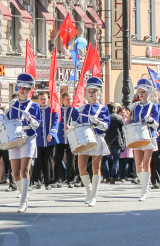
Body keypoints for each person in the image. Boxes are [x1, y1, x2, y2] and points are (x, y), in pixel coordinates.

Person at [69, 77, 110, 206]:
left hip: (96, 138)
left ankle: (94, 195)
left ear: (99, 93)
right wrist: (72, 123)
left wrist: (97, 122)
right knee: (81, 167)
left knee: (95, 167)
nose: (91, 94)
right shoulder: (80, 108)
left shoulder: (103, 109)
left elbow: (106, 126)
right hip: (83, 139)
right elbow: (74, 124)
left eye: (93, 92)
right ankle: (89, 191)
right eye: (89, 92)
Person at [6, 73, 41, 212]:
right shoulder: (13, 105)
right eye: (20, 87)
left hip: (28, 139)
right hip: (15, 140)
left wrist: (30, 120)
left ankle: (22, 201)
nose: (22, 90)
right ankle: (24, 196)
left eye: (25, 88)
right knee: (15, 173)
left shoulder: (34, 106)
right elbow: (8, 121)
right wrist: (1, 118)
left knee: (24, 170)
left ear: (29, 90)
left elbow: (37, 125)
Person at [128, 79, 160, 201]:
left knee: (146, 163)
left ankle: (144, 191)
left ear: (148, 93)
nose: (141, 94)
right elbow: (132, 121)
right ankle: (144, 186)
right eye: (139, 92)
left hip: (148, 136)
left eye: (143, 92)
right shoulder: (135, 107)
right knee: (138, 165)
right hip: (137, 137)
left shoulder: (153, 106)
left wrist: (151, 121)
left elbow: (156, 124)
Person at [32, 92, 59, 190]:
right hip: (38, 140)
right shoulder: (35, 110)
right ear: (38, 100)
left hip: (49, 140)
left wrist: (52, 133)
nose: (43, 101)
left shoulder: (52, 110)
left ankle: (49, 182)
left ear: (47, 99)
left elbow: (56, 123)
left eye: (44, 99)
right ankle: (37, 181)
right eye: (41, 99)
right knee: (38, 161)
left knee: (49, 161)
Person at [101, 103, 124, 185]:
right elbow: (122, 131)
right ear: (114, 109)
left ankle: (106, 176)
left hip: (106, 141)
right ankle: (113, 176)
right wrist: (123, 143)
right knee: (116, 160)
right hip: (116, 141)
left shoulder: (104, 118)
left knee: (104, 160)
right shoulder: (119, 117)